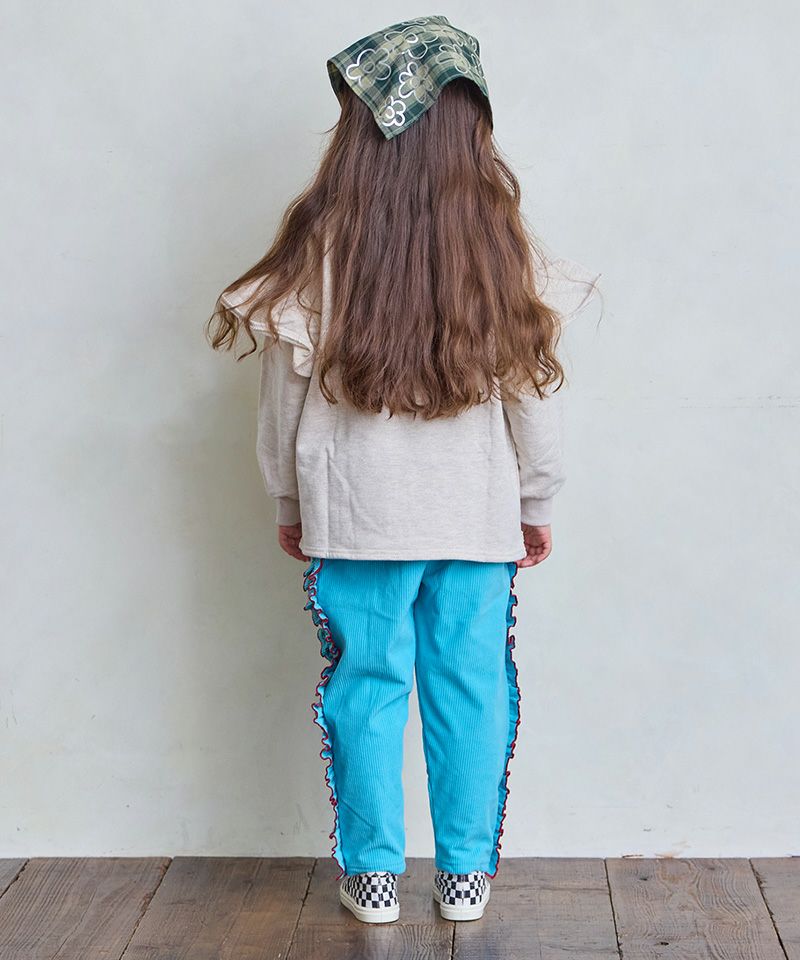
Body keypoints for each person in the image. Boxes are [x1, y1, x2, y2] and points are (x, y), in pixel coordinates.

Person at [208, 15, 599, 925]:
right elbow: (534, 395)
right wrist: (536, 499)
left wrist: (288, 497)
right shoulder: (501, 247)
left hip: (354, 517)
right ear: (472, 126)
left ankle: (374, 875)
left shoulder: (321, 244)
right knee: (472, 691)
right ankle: (464, 875)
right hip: (474, 516)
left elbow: (282, 396)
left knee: (365, 690)